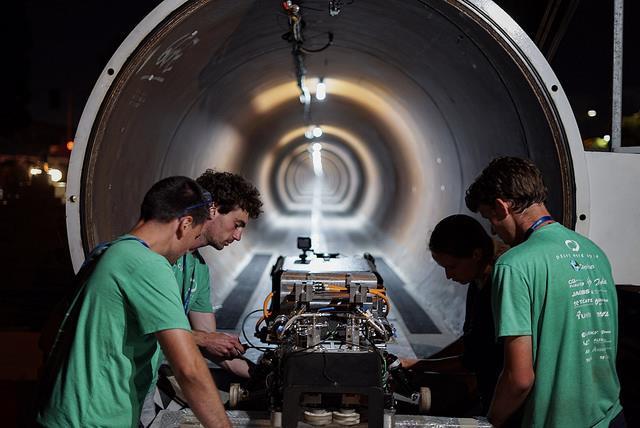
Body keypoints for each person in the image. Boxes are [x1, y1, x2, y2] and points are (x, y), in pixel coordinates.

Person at [36, 176, 231, 428]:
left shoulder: (112, 251)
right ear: (185, 224)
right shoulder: (148, 264)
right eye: (193, 238)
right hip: (90, 420)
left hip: (73, 414)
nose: (187, 251)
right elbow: (189, 369)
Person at [465, 156, 623, 427]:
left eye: (490, 218)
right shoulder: (594, 252)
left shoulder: (514, 265)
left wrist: (491, 421)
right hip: (610, 418)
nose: (493, 230)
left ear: (503, 207)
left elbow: (519, 379)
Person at [139, 170, 263, 425]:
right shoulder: (155, 260)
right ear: (214, 210)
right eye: (237, 224)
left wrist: (263, 373)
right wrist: (205, 339)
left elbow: (212, 343)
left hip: (147, 380)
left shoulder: (198, 269)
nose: (238, 236)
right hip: (129, 377)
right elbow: (147, 327)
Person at [401, 214, 505, 415]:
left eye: (452, 266)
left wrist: (420, 365)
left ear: (475, 254)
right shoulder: (477, 279)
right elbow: (470, 340)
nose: (448, 275)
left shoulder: (499, 283)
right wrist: (420, 363)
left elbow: (474, 360)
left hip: (501, 399)